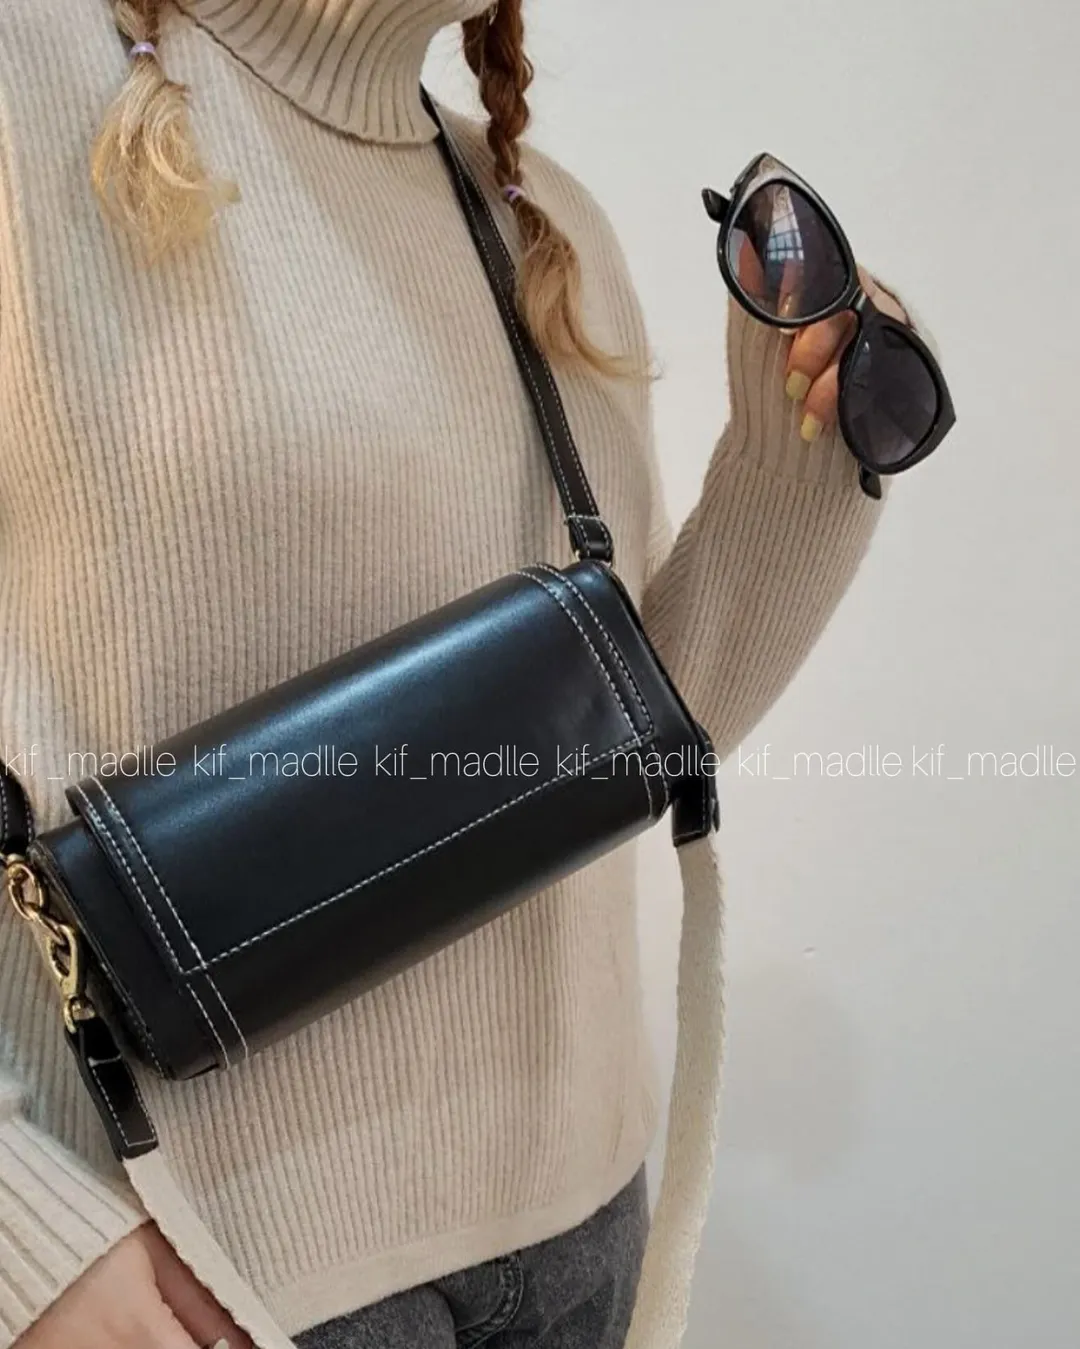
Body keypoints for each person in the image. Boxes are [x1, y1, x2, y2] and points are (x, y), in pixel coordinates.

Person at [0, 1, 918, 1347]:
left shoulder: (537, 214)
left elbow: (615, 736)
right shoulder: (26, 76)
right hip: (215, 1273)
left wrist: (809, 454)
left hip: (582, 1217)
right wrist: (23, 1234)